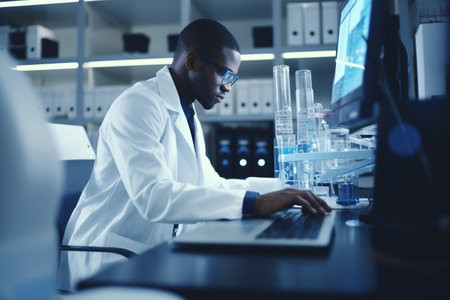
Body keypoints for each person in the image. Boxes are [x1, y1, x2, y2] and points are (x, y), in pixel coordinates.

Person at [58, 18, 332, 291]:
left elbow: (211, 184)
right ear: (192, 62)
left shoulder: (186, 113)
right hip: (107, 257)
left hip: (146, 252)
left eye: (232, 79)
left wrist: (288, 189)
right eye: (225, 75)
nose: (228, 88)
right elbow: (153, 196)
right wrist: (253, 203)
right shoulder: (138, 104)